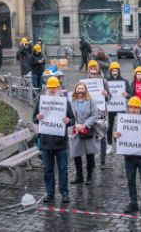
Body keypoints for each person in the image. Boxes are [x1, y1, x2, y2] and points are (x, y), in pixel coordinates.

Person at [33, 76, 76, 205]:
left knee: (63, 169)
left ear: (58, 88)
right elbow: (34, 118)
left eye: (54, 87)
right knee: (48, 170)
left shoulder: (64, 101)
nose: (52, 90)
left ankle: (64, 193)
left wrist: (69, 121)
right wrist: (38, 117)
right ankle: (50, 193)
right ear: (46, 88)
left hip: (61, 143)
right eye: (50, 87)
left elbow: (72, 119)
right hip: (46, 143)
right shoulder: (41, 101)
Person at [114, 96, 141, 214]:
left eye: (135, 107)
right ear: (128, 108)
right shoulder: (122, 121)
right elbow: (120, 139)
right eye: (131, 107)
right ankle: (133, 203)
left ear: (139, 108)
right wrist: (115, 136)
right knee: (130, 180)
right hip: (129, 157)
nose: (133, 110)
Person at [69, 82, 102, 186]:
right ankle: (79, 176)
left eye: (82, 89)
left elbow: (95, 115)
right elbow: (68, 115)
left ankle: (89, 176)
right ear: (75, 90)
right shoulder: (71, 101)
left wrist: (84, 125)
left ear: (85, 90)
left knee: (89, 154)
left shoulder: (91, 101)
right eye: (78, 88)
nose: (80, 90)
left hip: (88, 129)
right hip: (75, 130)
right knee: (76, 154)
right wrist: (76, 125)